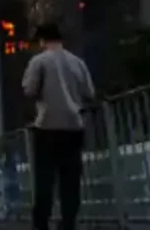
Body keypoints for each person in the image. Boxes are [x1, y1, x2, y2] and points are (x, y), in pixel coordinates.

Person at [22, 23, 96, 230]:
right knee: (70, 182)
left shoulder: (39, 61)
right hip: (74, 128)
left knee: (44, 181)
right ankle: (68, 224)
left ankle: (41, 225)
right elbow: (89, 92)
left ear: (42, 41)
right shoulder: (78, 62)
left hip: (47, 128)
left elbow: (29, 90)